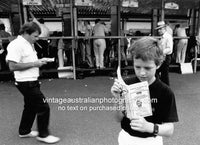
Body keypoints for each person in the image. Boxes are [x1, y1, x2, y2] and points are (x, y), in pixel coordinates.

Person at [111, 36, 178, 145]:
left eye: (147, 68)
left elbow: (169, 130)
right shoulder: (126, 84)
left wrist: (149, 127)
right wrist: (117, 99)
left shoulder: (165, 92)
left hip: (151, 141)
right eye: (137, 67)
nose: (142, 73)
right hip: (126, 138)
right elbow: (118, 118)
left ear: (158, 64)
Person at [6, 22, 60, 144]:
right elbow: (12, 66)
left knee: (30, 107)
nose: (37, 39)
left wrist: (39, 61)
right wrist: (35, 64)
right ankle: (43, 135)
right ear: (26, 33)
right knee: (43, 107)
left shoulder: (27, 43)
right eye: (35, 36)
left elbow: (27, 60)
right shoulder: (16, 45)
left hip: (31, 80)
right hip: (25, 82)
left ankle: (24, 131)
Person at [155, 21, 173, 86]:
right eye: (158, 29)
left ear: (164, 28)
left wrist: (161, 51)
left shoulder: (168, 37)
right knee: (161, 73)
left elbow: (170, 49)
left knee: (164, 74)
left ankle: (166, 88)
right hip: (162, 57)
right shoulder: (162, 37)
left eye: (160, 29)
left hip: (166, 57)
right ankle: (163, 87)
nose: (159, 31)